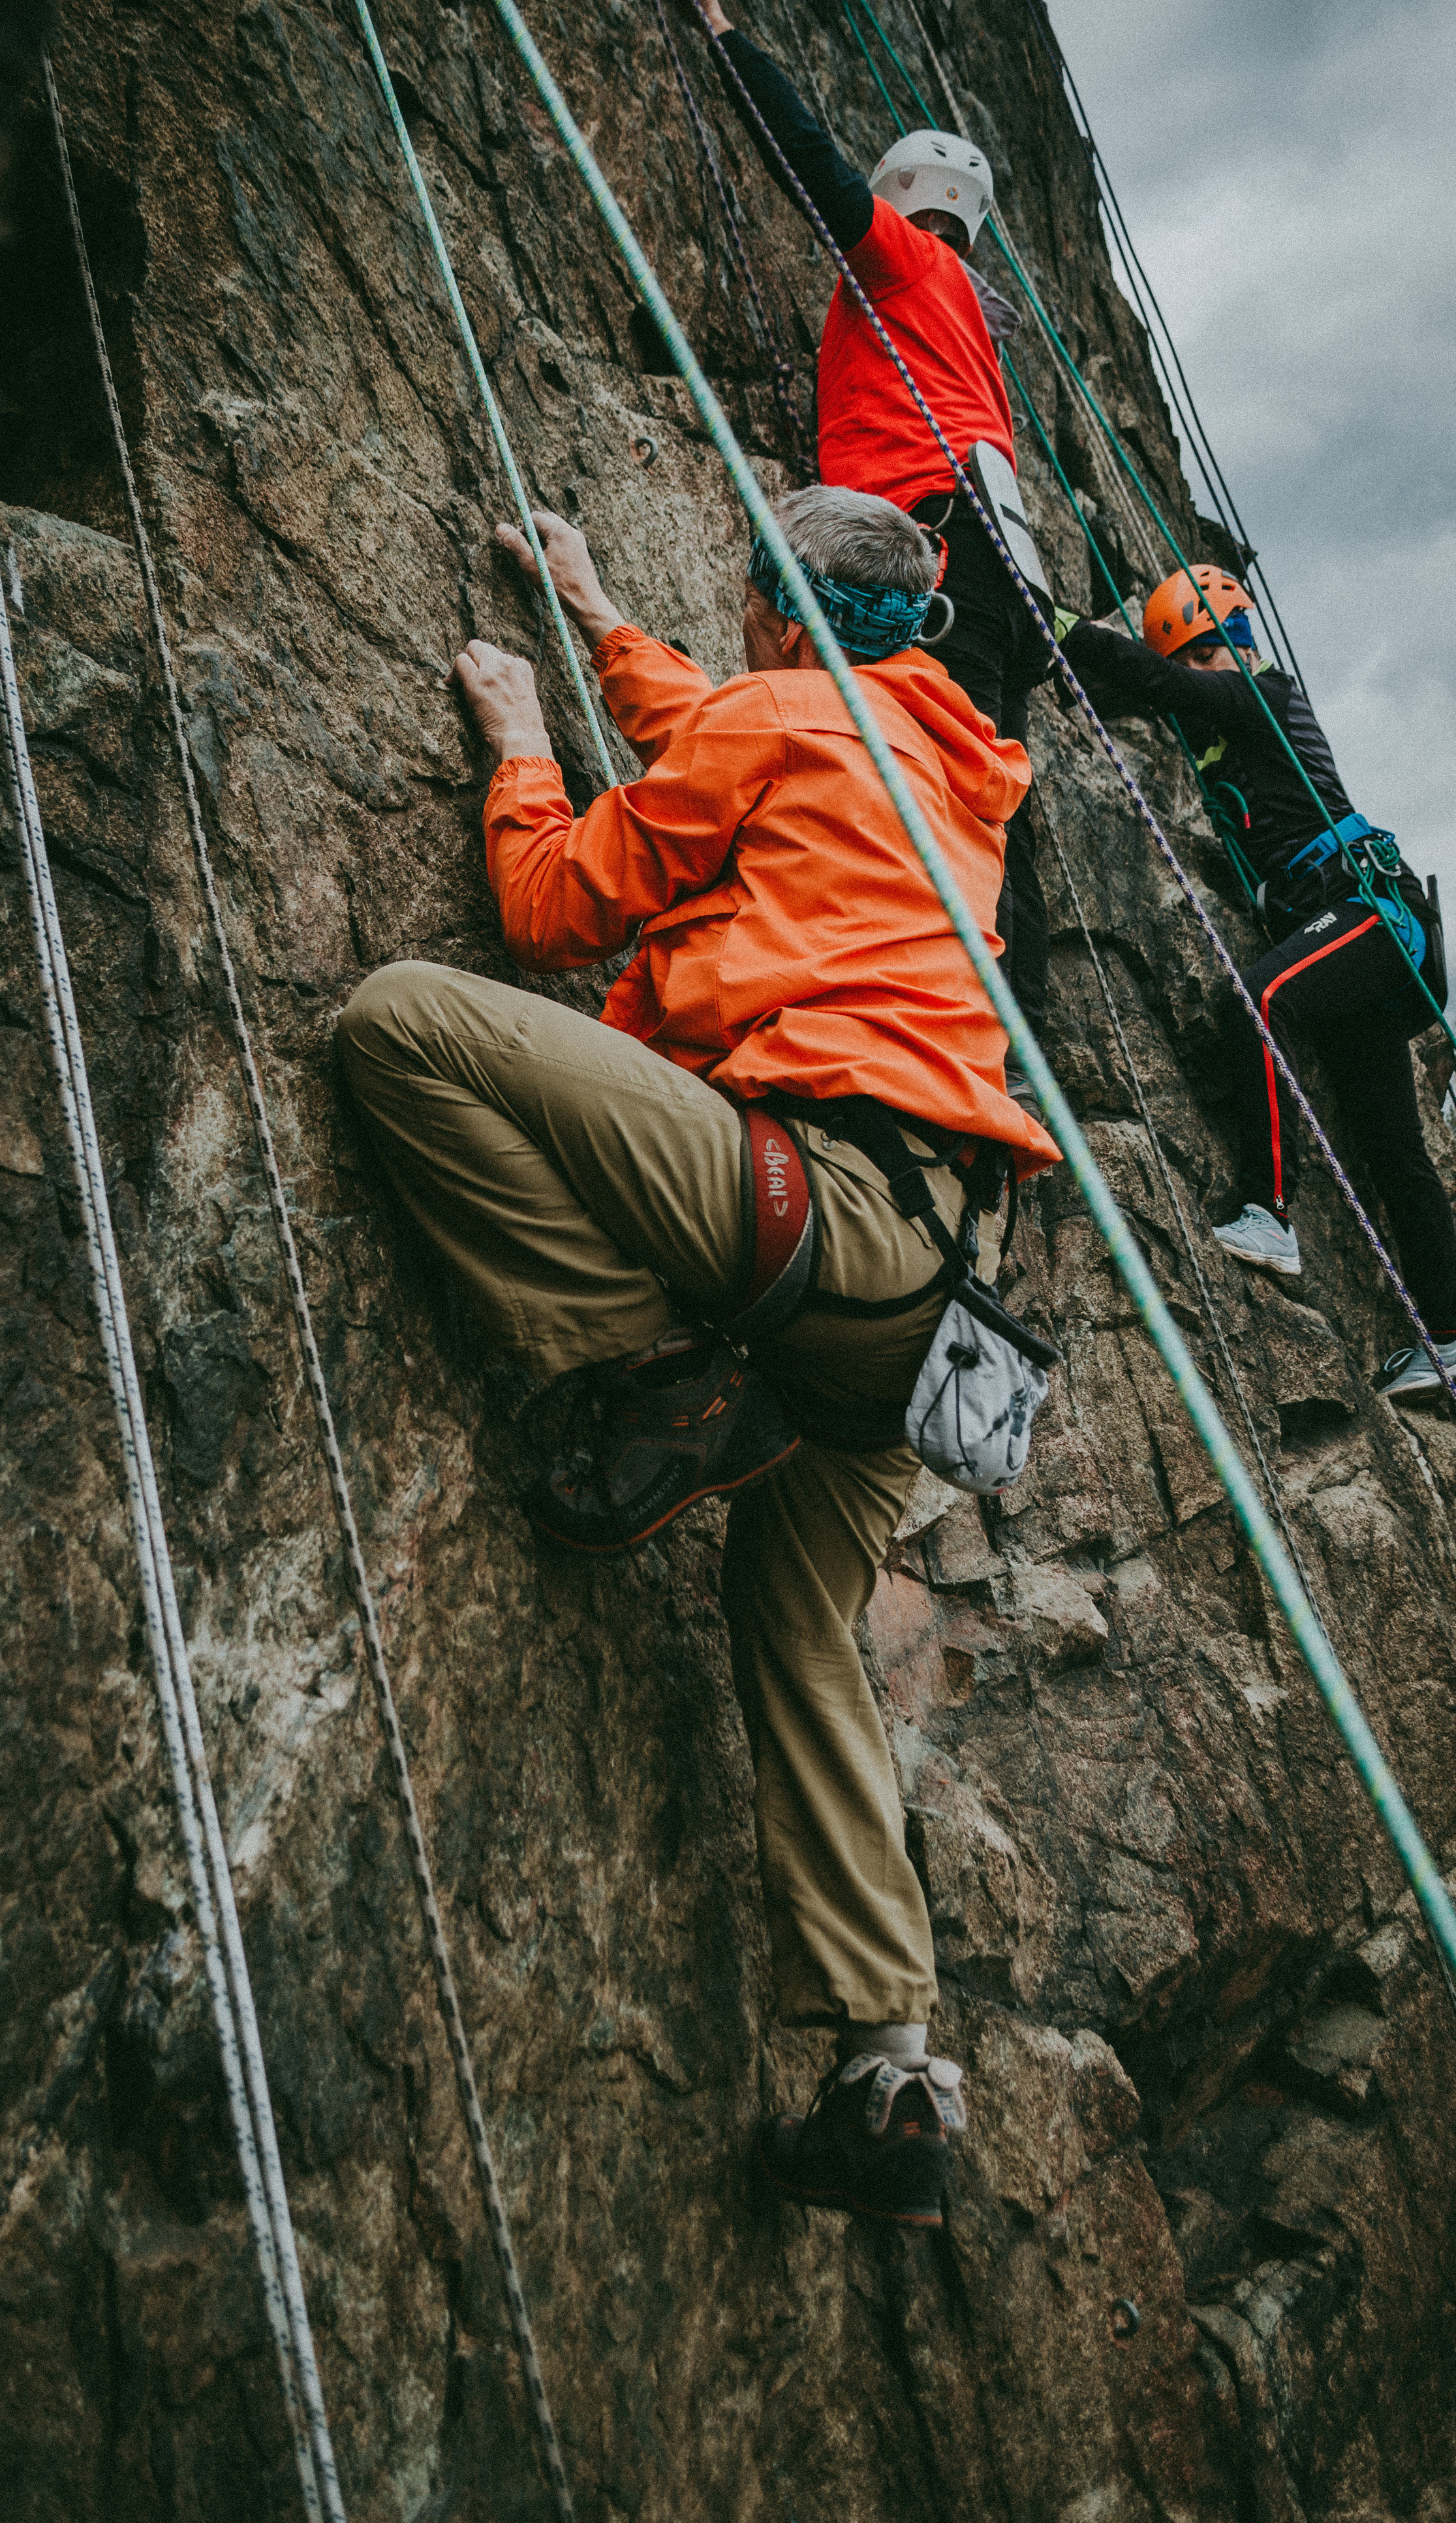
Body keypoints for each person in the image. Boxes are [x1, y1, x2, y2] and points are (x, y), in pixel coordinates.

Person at [337, 487, 1057, 2223]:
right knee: (794, 1613)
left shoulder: (779, 709)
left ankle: (670, 1359)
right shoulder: (946, 763)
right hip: (947, 1311)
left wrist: (521, 733)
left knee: (400, 1026)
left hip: (812, 1218)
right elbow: (719, 720)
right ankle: (891, 2069)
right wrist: (597, 620)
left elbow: (551, 908)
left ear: (770, 613)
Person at [692, 2, 1055, 1096]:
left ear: (908, 206)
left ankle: (973, 1044)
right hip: (989, 566)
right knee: (981, 792)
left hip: (934, 560)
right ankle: (1008, 1040)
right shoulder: (973, 326)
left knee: (934, 792)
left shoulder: (905, 268)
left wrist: (725, 39)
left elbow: (813, 168)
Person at [1064, 569, 1456, 1405]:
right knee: (1394, 1154)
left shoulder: (1265, 696)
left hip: (1368, 912)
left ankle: (1268, 1214)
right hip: (1352, 948)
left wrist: (1067, 623)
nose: (1205, 665)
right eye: (1193, 653)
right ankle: (1451, 1339)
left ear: (1239, 641)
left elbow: (1159, 681)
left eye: (1212, 647)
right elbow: (1142, 692)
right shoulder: (1211, 726)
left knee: (1260, 998)